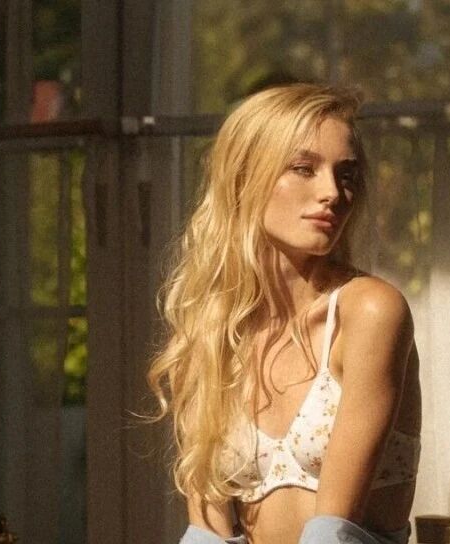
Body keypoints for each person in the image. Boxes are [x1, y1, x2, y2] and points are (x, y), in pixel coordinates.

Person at [146, 83, 422, 544]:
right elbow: (208, 535)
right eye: (303, 168)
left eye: (347, 174)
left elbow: (333, 533)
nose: (332, 192)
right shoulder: (210, 334)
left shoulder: (369, 312)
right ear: (243, 178)